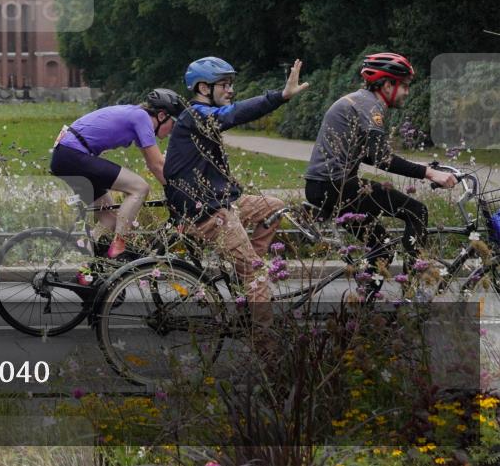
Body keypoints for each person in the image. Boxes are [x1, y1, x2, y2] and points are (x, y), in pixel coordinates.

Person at [163, 57, 309, 325]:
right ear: (204, 89)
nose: (231, 90)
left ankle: (245, 281)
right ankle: (267, 349)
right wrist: (281, 96)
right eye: (224, 84)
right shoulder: (196, 115)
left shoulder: (198, 119)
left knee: (273, 206)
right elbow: (232, 114)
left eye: (231, 84)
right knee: (258, 276)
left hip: (216, 202)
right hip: (205, 213)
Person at [303, 52, 457, 298]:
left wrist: (419, 166)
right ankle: (411, 294)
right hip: (336, 185)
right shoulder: (370, 106)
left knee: (382, 247)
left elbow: (366, 155)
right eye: (404, 86)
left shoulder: (358, 101)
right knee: (418, 212)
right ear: (387, 85)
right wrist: (430, 174)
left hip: (323, 186)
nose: (407, 92)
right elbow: (381, 159)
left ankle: (363, 305)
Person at [50, 89, 185, 260]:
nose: (171, 132)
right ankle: (120, 243)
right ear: (161, 116)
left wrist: (170, 184)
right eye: (173, 125)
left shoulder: (135, 115)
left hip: (65, 156)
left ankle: (88, 269)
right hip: (73, 155)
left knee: (110, 220)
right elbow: (157, 164)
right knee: (140, 188)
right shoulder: (142, 118)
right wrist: (177, 190)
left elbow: (153, 162)